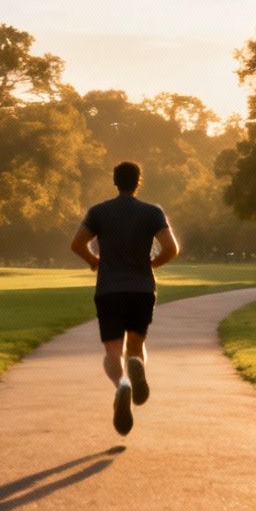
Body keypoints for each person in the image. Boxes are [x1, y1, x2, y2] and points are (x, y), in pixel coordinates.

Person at [70, 160, 178, 435]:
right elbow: (171, 247)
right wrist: (152, 263)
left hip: (109, 289)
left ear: (114, 182)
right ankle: (137, 364)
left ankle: (122, 385)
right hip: (141, 288)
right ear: (138, 181)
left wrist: (95, 261)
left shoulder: (99, 212)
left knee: (112, 351)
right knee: (136, 344)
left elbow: (77, 244)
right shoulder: (153, 212)